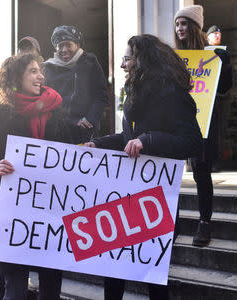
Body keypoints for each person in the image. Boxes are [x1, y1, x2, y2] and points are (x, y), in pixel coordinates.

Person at [84, 34, 202, 300]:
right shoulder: (134, 93)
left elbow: (192, 142)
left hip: (155, 200)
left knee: (152, 277)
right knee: (112, 267)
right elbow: (128, 139)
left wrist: (148, 141)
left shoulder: (173, 94)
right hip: (126, 197)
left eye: (127, 58)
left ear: (143, 60)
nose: (123, 65)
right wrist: (98, 144)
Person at [0, 53, 72, 300]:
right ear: (15, 77)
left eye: (40, 71)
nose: (40, 76)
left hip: (50, 217)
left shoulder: (55, 111)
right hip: (13, 220)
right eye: (33, 71)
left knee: (51, 290)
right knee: (14, 291)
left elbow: (70, 156)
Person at [174, 5, 233, 247]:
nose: (180, 29)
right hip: (177, 121)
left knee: (201, 172)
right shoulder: (172, 57)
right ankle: (171, 225)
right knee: (172, 173)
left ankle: (204, 223)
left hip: (203, 119)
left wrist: (221, 64)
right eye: (177, 24)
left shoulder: (215, 54)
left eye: (185, 23)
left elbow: (225, 88)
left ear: (195, 27)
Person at [43, 25, 108, 144]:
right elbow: (46, 102)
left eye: (68, 44)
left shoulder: (90, 62)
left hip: (86, 132)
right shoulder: (48, 68)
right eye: (60, 45)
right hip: (57, 131)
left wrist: (90, 120)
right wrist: (73, 120)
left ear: (77, 45)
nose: (64, 49)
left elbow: (101, 95)